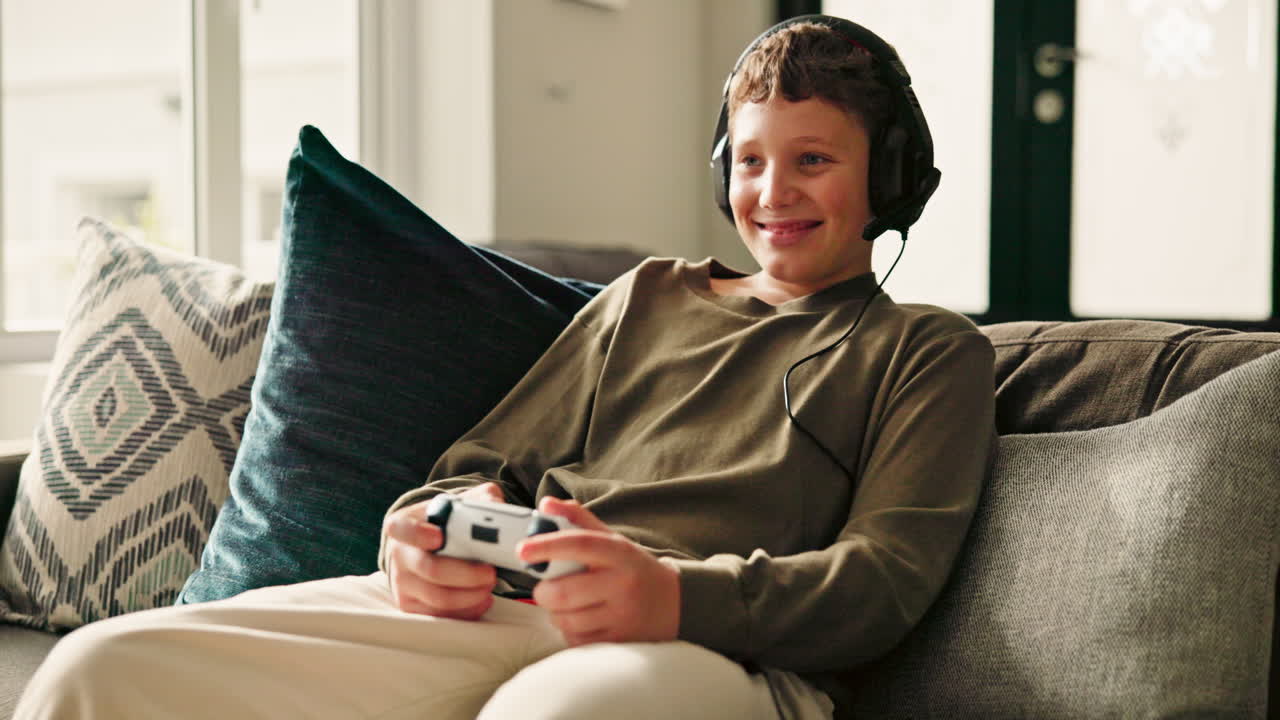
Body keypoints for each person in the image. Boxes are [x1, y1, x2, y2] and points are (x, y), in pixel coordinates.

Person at [15, 15, 995, 720]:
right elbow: (480, 460)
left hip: (719, 653)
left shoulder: (924, 351)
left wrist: (667, 596)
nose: (771, 191)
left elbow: (884, 579)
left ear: (892, 176)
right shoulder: (645, 298)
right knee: (101, 672)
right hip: (512, 597)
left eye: (812, 161)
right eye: (748, 162)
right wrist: (418, 528)